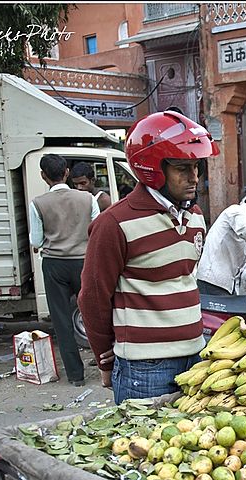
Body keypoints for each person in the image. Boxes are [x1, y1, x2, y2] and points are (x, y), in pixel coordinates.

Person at [78, 111, 219, 404]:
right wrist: (105, 361)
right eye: (182, 168)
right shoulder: (114, 224)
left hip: (196, 355)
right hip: (145, 369)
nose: (194, 178)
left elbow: (185, 281)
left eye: (197, 167)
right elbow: (92, 298)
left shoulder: (195, 217)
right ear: (151, 169)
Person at [30, 153, 100, 386]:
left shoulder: (38, 203)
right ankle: (105, 367)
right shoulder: (87, 198)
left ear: (43, 176)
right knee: (95, 315)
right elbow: (97, 232)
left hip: (54, 265)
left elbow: (37, 241)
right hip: (84, 262)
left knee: (61, 321)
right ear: (67, 173)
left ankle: (75, 376)